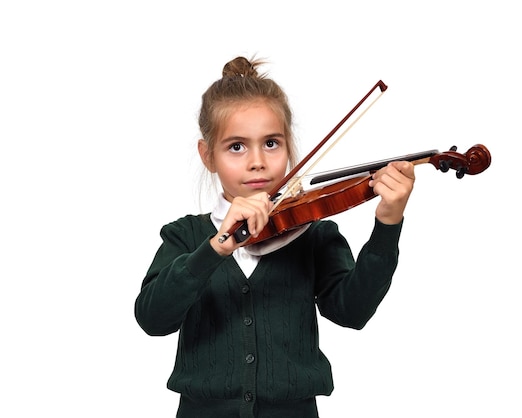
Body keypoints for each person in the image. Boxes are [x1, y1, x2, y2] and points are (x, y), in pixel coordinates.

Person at [135, 56, 416, 418]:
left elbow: (352, 312)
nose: (257, 162)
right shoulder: (186, 236)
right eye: (236, 146)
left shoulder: (315, 234)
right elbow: (152, 319)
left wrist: (388, 225)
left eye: (271, 143)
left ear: (288, 147)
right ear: (208, 155)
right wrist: (215, 248)